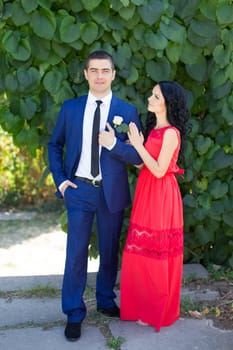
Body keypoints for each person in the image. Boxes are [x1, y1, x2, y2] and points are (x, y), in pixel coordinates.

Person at [48, 50, 142, 342]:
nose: (100, 76)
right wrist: (62, 181)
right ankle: (74, 313)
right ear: (86, 74)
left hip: (111, 192)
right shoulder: (71, 109)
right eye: (94, 70)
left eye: (105, 70)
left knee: (110, 251)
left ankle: (105, 299)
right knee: (75, 255)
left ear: (113, 74)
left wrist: (114, 144)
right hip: (79, 190)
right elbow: (55, 145)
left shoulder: (126, 112)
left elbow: (137, 156)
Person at [119, 81, 191, 332]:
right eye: (151, 94)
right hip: (146, 190)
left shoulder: (171, 132)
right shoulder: (153, 131)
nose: (150, 98)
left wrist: (138, 146)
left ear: (167, 103)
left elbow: (160, 170)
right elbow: (144, 165)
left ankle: (157, 310)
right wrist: (125, 146)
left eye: (155, 96)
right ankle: (141, 306)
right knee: (141, 250)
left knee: (156, 252)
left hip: (161, 194)